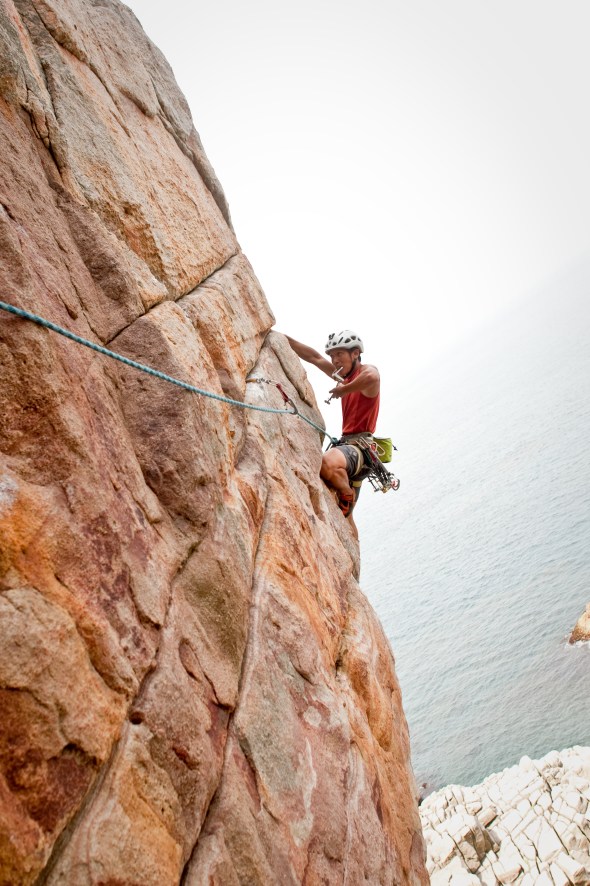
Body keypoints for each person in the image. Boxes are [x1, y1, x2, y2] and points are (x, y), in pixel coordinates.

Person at [285, 330, 380, 538]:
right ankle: (353, 565)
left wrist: (344, 390)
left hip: (359, 450)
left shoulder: (365, 375)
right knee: (347, 518)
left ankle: (347, 493)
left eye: (339, 354)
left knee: (326, 462)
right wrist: (282, 338)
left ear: (355, 353)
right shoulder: (344, 377)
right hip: (350, 450)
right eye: (333, 356)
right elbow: (315, 357)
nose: (334, 360)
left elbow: (372, 376)